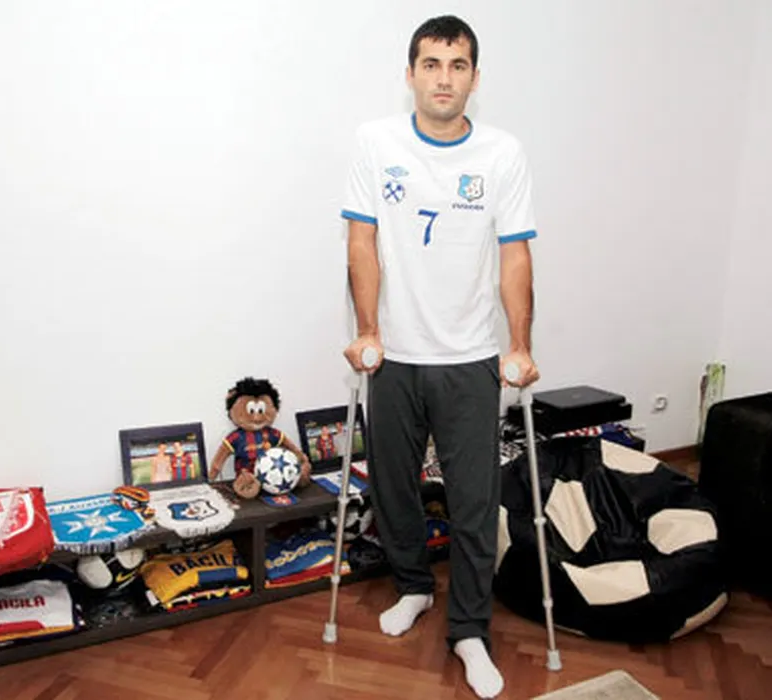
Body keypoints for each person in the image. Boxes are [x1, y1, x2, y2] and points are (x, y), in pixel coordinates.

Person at [340, 15, 539, 699]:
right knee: (392, 485)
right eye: (431, 64)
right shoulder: (376, 142)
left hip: (470, 355)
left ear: (475, 78)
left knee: (474, 502)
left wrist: (520, 343)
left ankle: (470, 631)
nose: (444, 78)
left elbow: (515, 255)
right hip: (394, 355)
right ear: (411, 75)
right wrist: (368, 329)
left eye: (457, 66)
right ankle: (414, 586)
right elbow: (361, 242)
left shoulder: (502, 154)